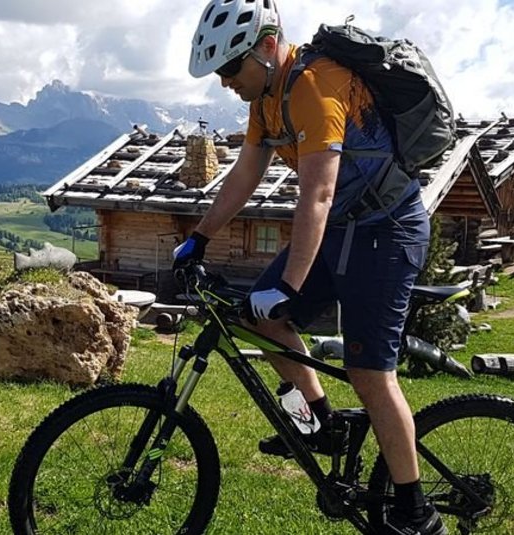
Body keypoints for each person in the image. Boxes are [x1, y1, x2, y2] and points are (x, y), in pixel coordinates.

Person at [174, 1, 443, 533]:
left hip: (387, 230)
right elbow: (245, 175)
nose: (225, 82)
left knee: (370, 375)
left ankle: (418, 510)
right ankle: (321, 422)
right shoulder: (266, 98)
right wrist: (199, 238)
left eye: (230, 68)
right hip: (343, 228)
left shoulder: (316, 86)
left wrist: (291, 286)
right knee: (262, 318)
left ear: (267, 48)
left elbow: (316, 194)